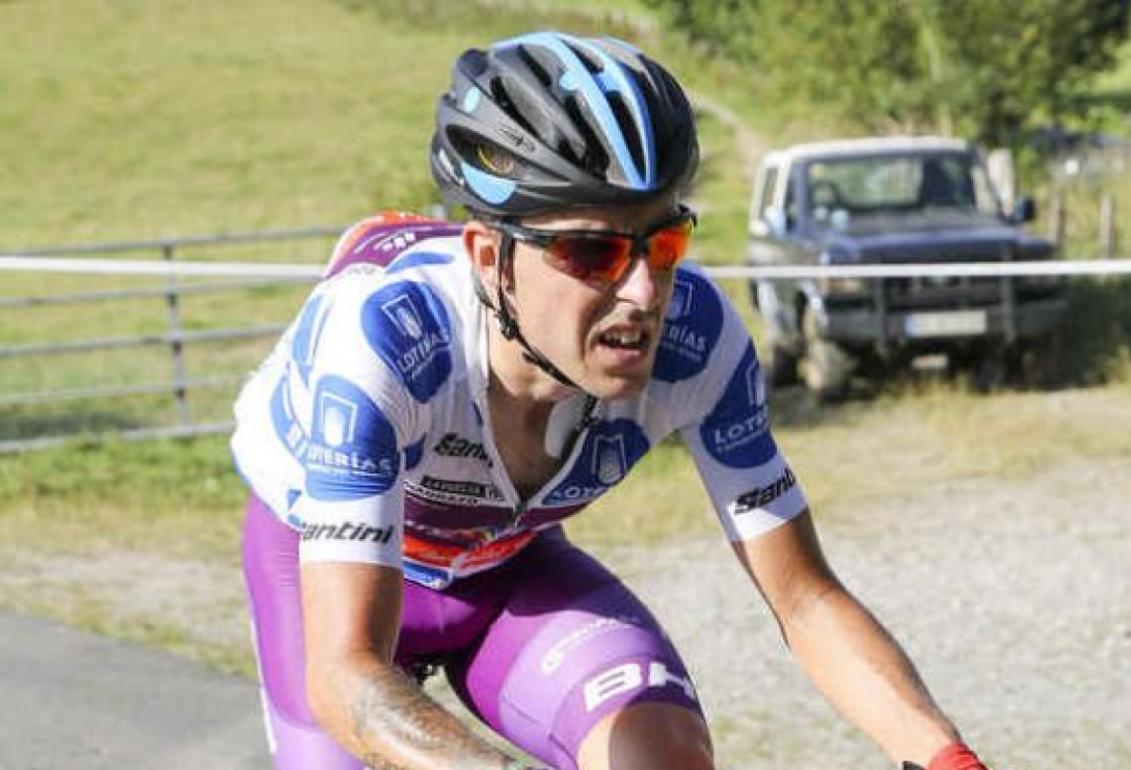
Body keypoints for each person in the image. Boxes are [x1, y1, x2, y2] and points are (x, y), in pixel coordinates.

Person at [231, 30, 998, 770]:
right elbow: (345, 672)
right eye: (592, 251)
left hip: (506, 571)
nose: (641, 293)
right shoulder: (387, 347)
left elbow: (804, 599)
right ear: (490, 257)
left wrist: (947, 756)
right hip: (326, 577)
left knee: (663, 757)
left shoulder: (697, 340)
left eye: (662, 244)